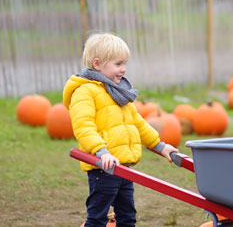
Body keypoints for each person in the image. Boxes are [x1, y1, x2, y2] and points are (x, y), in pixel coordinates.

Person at [63, 32, 179, 227]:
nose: (123, 69)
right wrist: (102, 152)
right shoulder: (85, 92)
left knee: (127, 217)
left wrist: (161, 146)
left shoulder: (117, 92)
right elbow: (83, 127)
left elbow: (138, 123)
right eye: (118, 64)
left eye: (125, 64)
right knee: (97, 217)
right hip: (104, 169)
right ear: (98, 64)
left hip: (124, 169)